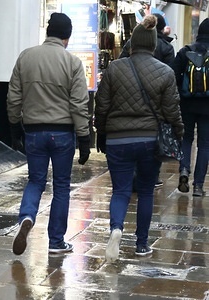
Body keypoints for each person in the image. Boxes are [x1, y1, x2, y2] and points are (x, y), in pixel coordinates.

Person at [94, 15, 183, 262]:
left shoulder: (114, 68)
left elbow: (101, 105)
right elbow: (172, 110)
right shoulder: (165, 72)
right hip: (149, 140)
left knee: (120, 191)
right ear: (154, 44)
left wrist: (101, 133)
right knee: (145, 191)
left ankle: (116, 229)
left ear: (132, 44)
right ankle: (142, 244)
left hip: (117, 140)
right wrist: (179, 133)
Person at [6, 12, 91, 255]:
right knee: (62, 186)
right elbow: (78, 104)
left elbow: (13, 97)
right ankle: (56, 241)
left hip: (34, 131)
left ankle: (26, 217)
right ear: (67, 37)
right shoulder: (73, 63)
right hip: (63, 133)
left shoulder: (26, 57)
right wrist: (84, 137)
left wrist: (14, 127)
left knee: (35, 181)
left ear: (48, 32)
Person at [119, 13, 175, 188]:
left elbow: (120, 63)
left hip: (129, 98)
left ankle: (132, 176)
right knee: (151, 142)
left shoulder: (130, 44)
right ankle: (151, 176)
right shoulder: (166, 48)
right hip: (155, 105)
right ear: (162, 29)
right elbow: (172, 81)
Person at [171, 18, 209, 197]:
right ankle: (199, 186)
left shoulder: (185, 51)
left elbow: (172, 75)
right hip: (208, 108)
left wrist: (181, 92)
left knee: (186, 139)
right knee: (205, 145)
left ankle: (184, 170)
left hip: (186, 104)